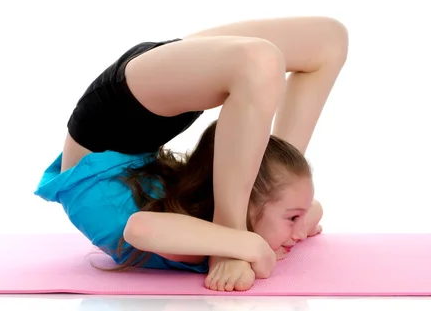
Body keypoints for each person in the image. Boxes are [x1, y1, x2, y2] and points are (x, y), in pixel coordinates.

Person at [34, 16, 349, 292]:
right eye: (293, 217)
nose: (299, 230)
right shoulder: (252, 220)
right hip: (143, 118)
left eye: (295, 217)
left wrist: (242, 243)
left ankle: (232, 223)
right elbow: (315, 210)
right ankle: (239, 213)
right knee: (329, 40)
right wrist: (269, 236)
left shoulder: (198, 243)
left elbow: (139, 229)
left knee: (260, 61)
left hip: (106, 131)